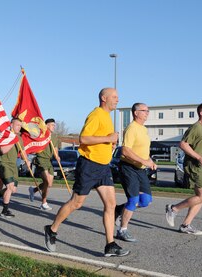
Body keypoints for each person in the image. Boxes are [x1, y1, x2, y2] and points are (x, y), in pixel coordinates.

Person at [43, 88, 130, 257]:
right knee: (76, 203)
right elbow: (83, 139)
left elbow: (99, 139)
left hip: (103, 167)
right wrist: (108, 139)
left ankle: (110, 244)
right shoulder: (96, 115)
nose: (117, 100)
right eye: (114, 97)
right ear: (104, 98)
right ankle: (52, 229)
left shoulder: (107, 117)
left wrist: (109, 144)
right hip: (89, 165)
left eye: (118, 97)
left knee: (111, 204)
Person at [166, 102, 202, 235]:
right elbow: (183, 144)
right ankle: (173, 209)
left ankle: (186, 225)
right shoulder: (196, 127)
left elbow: (198, 147)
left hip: (199, 165)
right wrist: (200, 158)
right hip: (194, 165)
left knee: (201, 197)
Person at [115, 103, 157, 242]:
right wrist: (144, 162)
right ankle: (122, 230)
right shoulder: (132, 128)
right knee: (133, 200)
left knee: (145, 201)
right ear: (135, 113)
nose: (147, 113)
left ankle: (119, 210)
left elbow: (143, 151)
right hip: (128, 167)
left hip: (140, 169)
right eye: (144, 110)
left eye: (148, 110)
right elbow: (125, 150)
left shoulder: (143, 129)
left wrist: (149, 161)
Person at [0, 118, 30, 218]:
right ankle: (4, 210)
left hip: (13, 165)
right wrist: (13, 140)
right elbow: (3, 150)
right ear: (11, 125)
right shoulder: (5, 135)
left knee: (13, 190)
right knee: (10, 187)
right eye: (17, 125)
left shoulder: (19, 138)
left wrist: (27, 161)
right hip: (4, 163)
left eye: (20, 126)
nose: (19, 127)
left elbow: (23, 151)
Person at [28, 118, 60, 210]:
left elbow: (55, 148)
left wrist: (57, 156)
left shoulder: (54, 137)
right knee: (47, 182)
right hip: (41, 159)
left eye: (54, 125)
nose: (54, 126)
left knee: (49, 184)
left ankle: (33, 190)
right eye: (52, 125)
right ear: (46, 125)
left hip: (49, 160)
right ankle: (44, 203)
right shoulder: (41, 135)